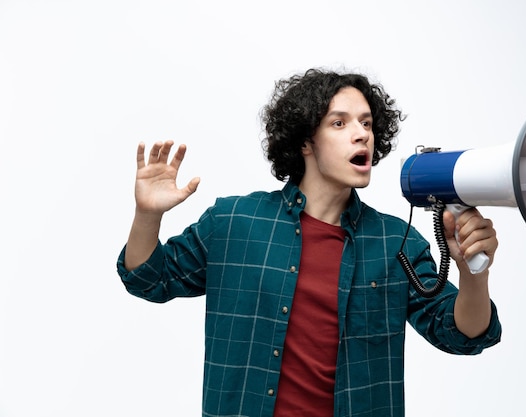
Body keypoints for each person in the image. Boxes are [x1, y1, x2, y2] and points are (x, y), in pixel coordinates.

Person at [116, 68, 502, 417]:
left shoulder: (394, 242)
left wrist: (473, 271)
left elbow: (460, 334)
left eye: (367, 123)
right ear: (305, 142)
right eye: (340, 123)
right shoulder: (234, 222)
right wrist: (148, 215)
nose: (361, 133)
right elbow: (149, 279)